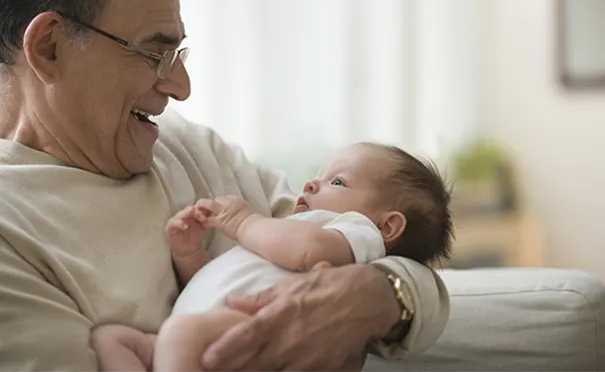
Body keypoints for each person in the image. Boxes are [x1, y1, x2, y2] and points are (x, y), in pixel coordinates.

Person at [0, 0, 450, 371]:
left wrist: (382, 295)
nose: (182, 88)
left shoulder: (186, 147)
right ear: (50, 47)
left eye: (179, 54)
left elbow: (404, 268)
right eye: (154, 52)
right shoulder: (12, 228)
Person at [91, 142, 454, 371]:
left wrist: (243, 221)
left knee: (178, 335)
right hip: (211, 332)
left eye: (338, 182)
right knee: (114, 340)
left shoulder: (354, 231)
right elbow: (225, 283)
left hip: (256, 337)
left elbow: (311, 252)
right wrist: (190, 254)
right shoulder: (281, 235)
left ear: (388, 226)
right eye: (318, 176)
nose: (311, 184)